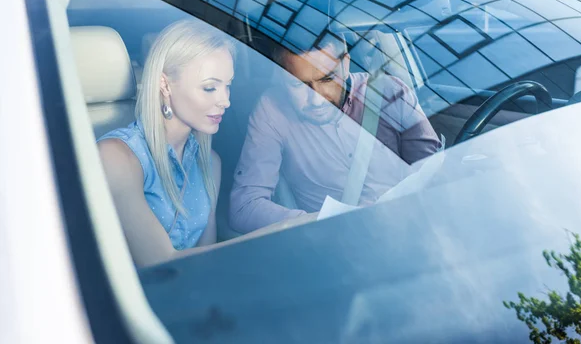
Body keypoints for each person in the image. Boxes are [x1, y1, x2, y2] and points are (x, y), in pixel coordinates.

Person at [229, 33, 441, 233]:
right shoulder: (272, 110)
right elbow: (244, 207)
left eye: (327, 79)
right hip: (333, 245)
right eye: (297, 84)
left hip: (409, 228)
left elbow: (435, 173)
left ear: (345, 64)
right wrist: (319, 223)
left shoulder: (389, 92)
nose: (317, 99)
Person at [98, 19, 235, 267]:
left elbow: (209, 264)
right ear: (165, 84)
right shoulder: (116, 158)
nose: (225, 101)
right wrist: (280, 231)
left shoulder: (210, 164)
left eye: (228, 86)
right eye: (209, 88)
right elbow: (161, 264)